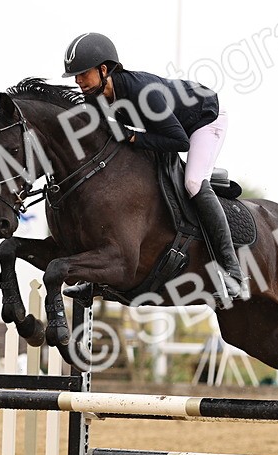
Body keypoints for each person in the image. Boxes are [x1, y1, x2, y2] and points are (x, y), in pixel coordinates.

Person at [61, 31, 248, 301]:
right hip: (167, 127)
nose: (78, 81)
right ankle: (96, 282)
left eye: (82, 73)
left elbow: (179, 141)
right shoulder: (95, 98)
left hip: (203, 120)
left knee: (193, 183)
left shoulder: (142, 93)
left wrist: (135, 137)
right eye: (75, 76)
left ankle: (233, 273)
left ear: (103, 70)